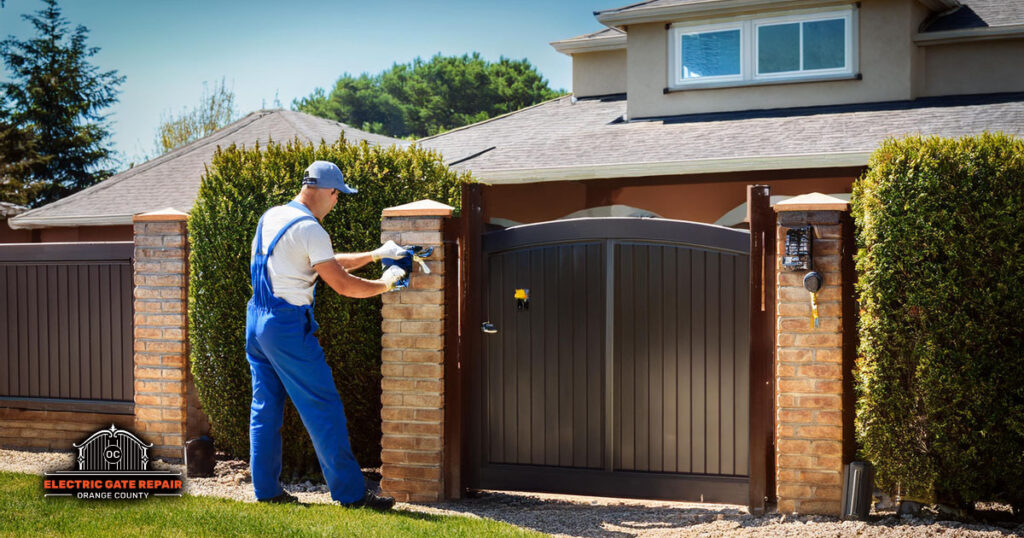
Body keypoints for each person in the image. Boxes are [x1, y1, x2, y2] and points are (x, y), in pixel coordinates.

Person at [245, 160, 409, 510]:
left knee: (265, 408)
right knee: (324, 407)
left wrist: (376, 255)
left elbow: (323, 262)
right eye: (337, 195)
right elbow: (342, 284)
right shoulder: (311, 229)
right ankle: (352, 495)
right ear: (325, 191)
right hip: (287, 326)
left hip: (258, 322)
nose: (336, 202)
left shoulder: (272, 216)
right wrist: (386, 283)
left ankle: (266, 491)